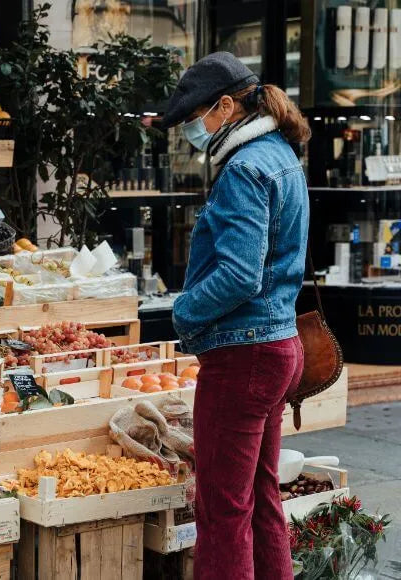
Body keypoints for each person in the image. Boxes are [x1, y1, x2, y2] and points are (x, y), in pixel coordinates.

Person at [161, 52, 311, 580]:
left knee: (222, 509)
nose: (191, 132)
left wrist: (181, 311)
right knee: (261, 495)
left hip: (244, 354)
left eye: (193, 118)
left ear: (226, 106)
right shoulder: (282, 155)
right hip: (277, 344)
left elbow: (240, 275)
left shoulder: (245, 169)